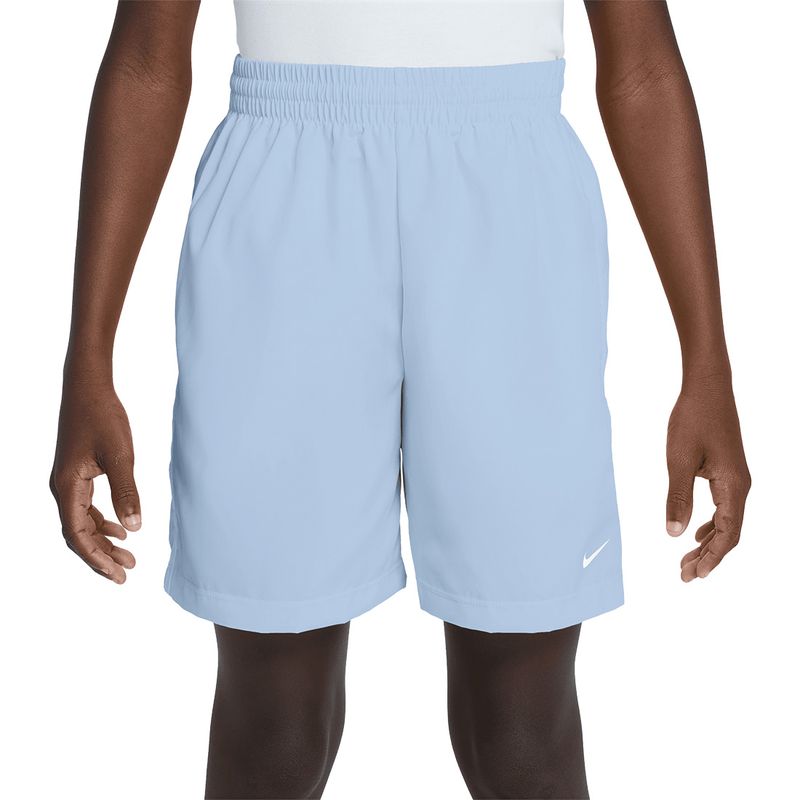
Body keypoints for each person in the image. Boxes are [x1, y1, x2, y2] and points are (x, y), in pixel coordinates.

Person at [50, 1, 751, 798]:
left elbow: (642, 67)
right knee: (274, 729)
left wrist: (708, 366)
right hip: (284, 201)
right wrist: (87, 361)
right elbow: (146, 61)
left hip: (510, 201)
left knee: (523, 729)